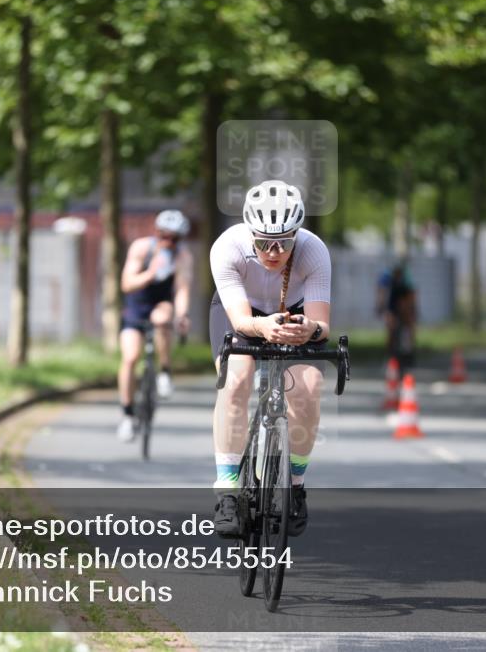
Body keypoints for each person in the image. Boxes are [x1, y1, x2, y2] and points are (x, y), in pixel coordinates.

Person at [208, 180, 331, 538]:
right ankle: (227, 491)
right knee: (236, 381)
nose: (274, 251)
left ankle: (295, 485)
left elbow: (322, 324)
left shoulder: (313, 250)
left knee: (309, 386)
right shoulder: (227, 247)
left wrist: (310, 328)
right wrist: (262, 326)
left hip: (293, 314)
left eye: (284, 242)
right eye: (263, 242)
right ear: (250, 233)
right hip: (241, 314)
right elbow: (241, 321)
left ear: (297, 235)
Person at [116, 209, 193, 442]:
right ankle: (128, 415)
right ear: (156, 232)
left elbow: (182, 289)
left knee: (162, 319)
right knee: (130, 358)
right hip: (136, 305)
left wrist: (182, 314)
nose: (167, 241)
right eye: (163, 235)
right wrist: (151, 272)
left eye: (174, 238)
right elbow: (127, 284)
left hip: (161, 303)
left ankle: (164, 371)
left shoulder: (182, 256)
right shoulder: (142, 248)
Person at [376, 262, 417, 367]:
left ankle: (409, 352)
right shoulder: (387, 277)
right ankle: (390, 354)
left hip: (404, 299)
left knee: (409, 325)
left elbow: (412, 296)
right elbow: (381, 293)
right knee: (391, 327)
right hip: (392, 303)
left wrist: (412, 311)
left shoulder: (407, 279)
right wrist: (381, 307)